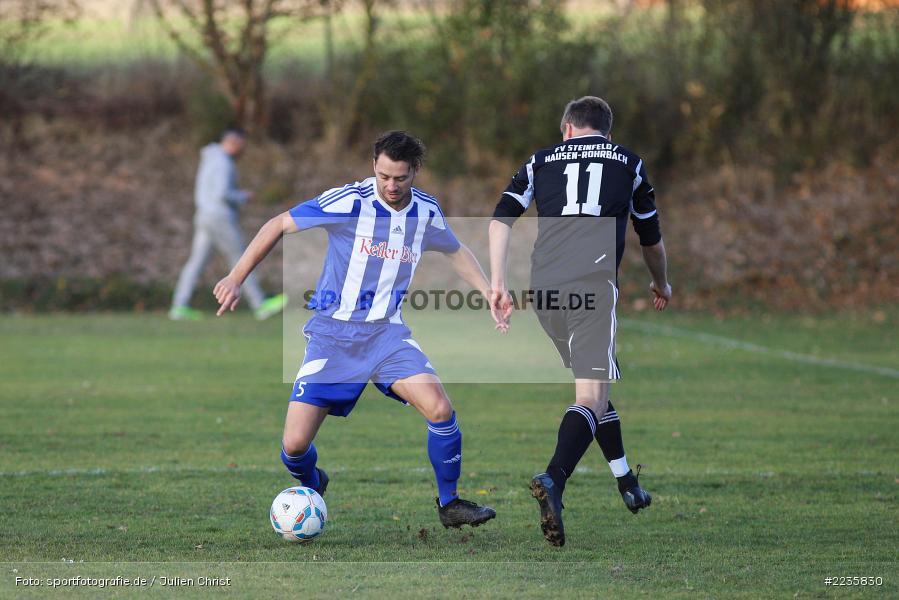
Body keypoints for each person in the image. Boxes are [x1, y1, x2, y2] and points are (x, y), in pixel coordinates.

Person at [213, 131, 498, 528]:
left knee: (440, 408)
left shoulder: (426, 211)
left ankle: (449, 504)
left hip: (387, 337)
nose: (391, 186)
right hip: (333, 337)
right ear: (374, 168)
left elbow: (454, 250)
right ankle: (313, 482)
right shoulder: (350, 201)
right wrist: (235, 277)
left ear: (414, 171)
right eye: (383, 176)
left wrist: (488, 290)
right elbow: (278, 223)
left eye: (400, 178)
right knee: (294, 446)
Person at [488, 96, 672, 546]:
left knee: (596, 392)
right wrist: (661, 284)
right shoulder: (629, 162)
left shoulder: (541, 159)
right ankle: (553, 478)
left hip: (545, 289)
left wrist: (497, 283)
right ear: (605, 132)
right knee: (590, 398)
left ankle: (627, 482)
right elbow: (651, 238)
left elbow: (500, 221)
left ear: (566, 128)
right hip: (591, 283)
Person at [170, 127, 287, 321]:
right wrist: (244, 196)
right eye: (242, 145)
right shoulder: (223, 162)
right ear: (233, 142)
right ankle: (260, 303)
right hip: (219, 216)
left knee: (196, 262)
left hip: (203, 214)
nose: (243, 150)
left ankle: (179, 305)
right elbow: (223, 193)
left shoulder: (209, 158)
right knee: (242, 256)